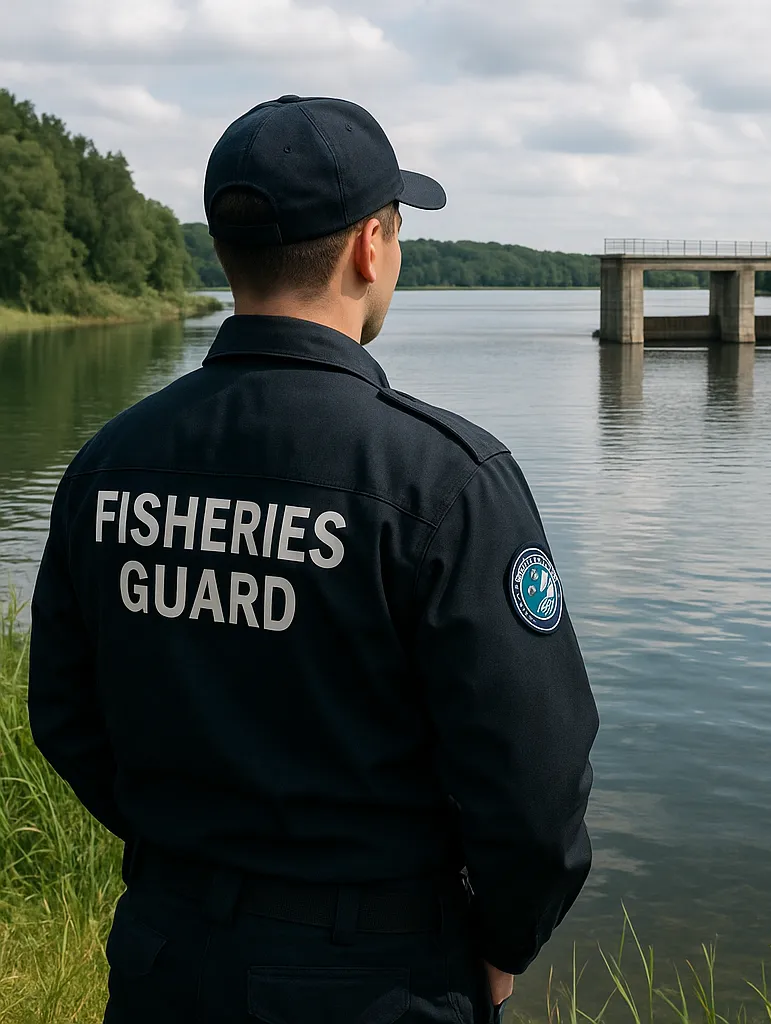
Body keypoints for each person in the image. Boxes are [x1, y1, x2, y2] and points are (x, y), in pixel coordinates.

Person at [28, 95, 599, 1024]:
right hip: (379, 980)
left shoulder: (107, 465)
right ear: (369, 247)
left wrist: (191, 852)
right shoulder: (444, 480)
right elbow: (534, 775)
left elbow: (62, 709)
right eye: (400, 232)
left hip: (165, 960)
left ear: (225, 250)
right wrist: (504, 939)